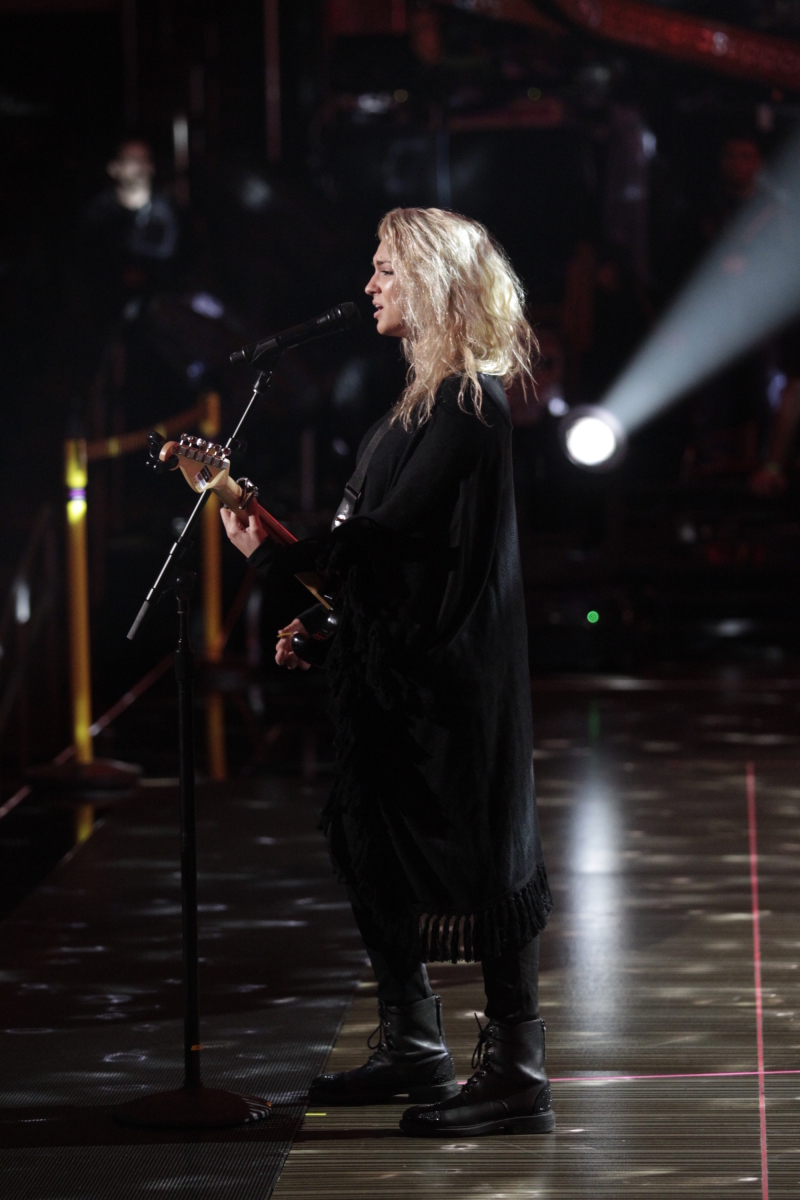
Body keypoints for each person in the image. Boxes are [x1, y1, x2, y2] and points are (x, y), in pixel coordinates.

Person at [221, 207, 554, 1137]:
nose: (369, 285)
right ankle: (413, 1039)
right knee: (368, 844)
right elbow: (377, 563)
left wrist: (267, 557)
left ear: (436, 283)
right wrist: (322, 627)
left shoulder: (469, 405)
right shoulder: (402, 416)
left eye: (385, 269)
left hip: (455, 681)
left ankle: (518, 1070)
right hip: (393, 680)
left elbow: (391, 538)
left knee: (487, 862)